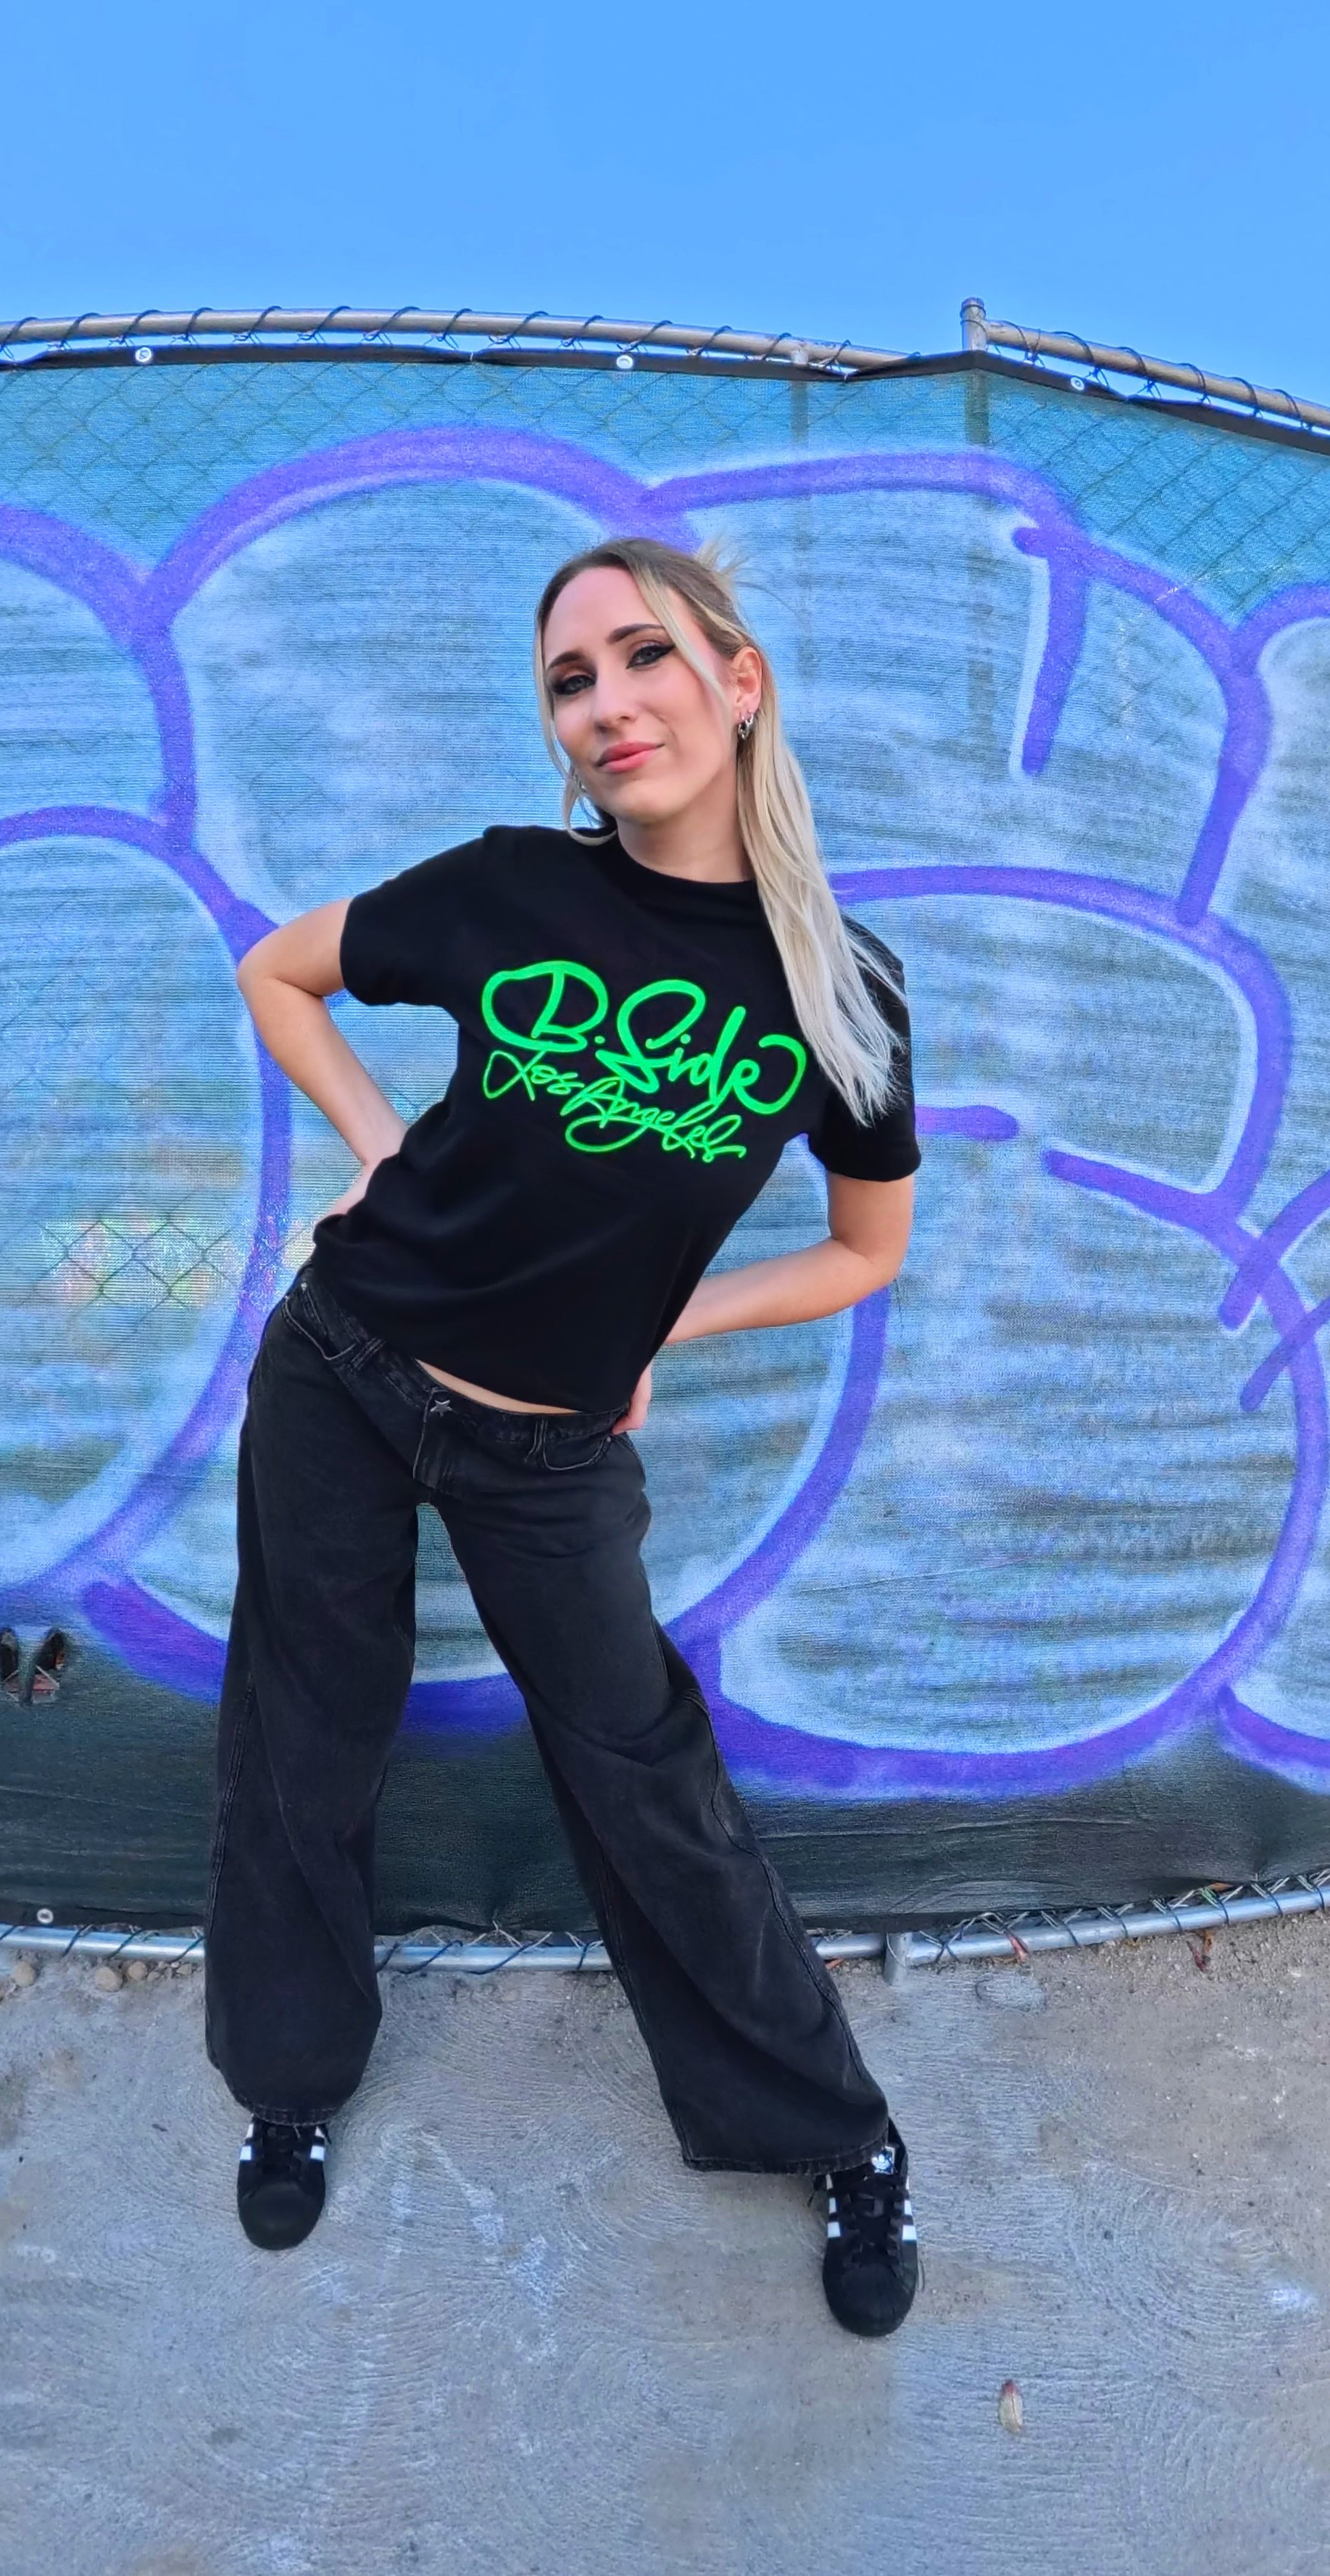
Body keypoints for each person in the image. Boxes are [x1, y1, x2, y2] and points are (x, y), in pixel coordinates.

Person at [207, 536, 922, 2337]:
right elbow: (278, 972)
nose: (608, 704)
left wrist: (658, 1319)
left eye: (642, 655)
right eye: (569, 681)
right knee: (303, 1729)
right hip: (343, 1370)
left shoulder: (839, 992)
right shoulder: (510, 888)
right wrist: (380, 1148)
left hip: (548, 1453)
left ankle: (835, 2132)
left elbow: (863, 1252)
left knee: (648, 1781)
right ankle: (289, 2079)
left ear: (737, 681)